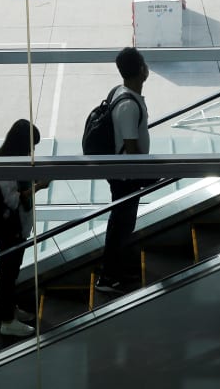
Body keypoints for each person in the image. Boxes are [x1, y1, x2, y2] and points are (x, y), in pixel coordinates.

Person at [95, 47, 151, 295]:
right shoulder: (128, 105)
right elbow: (130, 147)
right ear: (141, 69)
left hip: (123, 174)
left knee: (123, 224)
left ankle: (117, 270)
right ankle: (108, 276)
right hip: (126, 176)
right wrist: (148, 172)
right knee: (120, 224)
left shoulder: (121, 92)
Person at [0, 119, 50, 337]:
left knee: (11, 271)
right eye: (31, 146)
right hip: (11, 230)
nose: (32, 150)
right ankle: (7, 320)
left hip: (17, 229)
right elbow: (13, 200)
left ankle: (10, 310)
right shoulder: (6, 166)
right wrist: (39, 187)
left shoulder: (14, 160)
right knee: (8, 272)